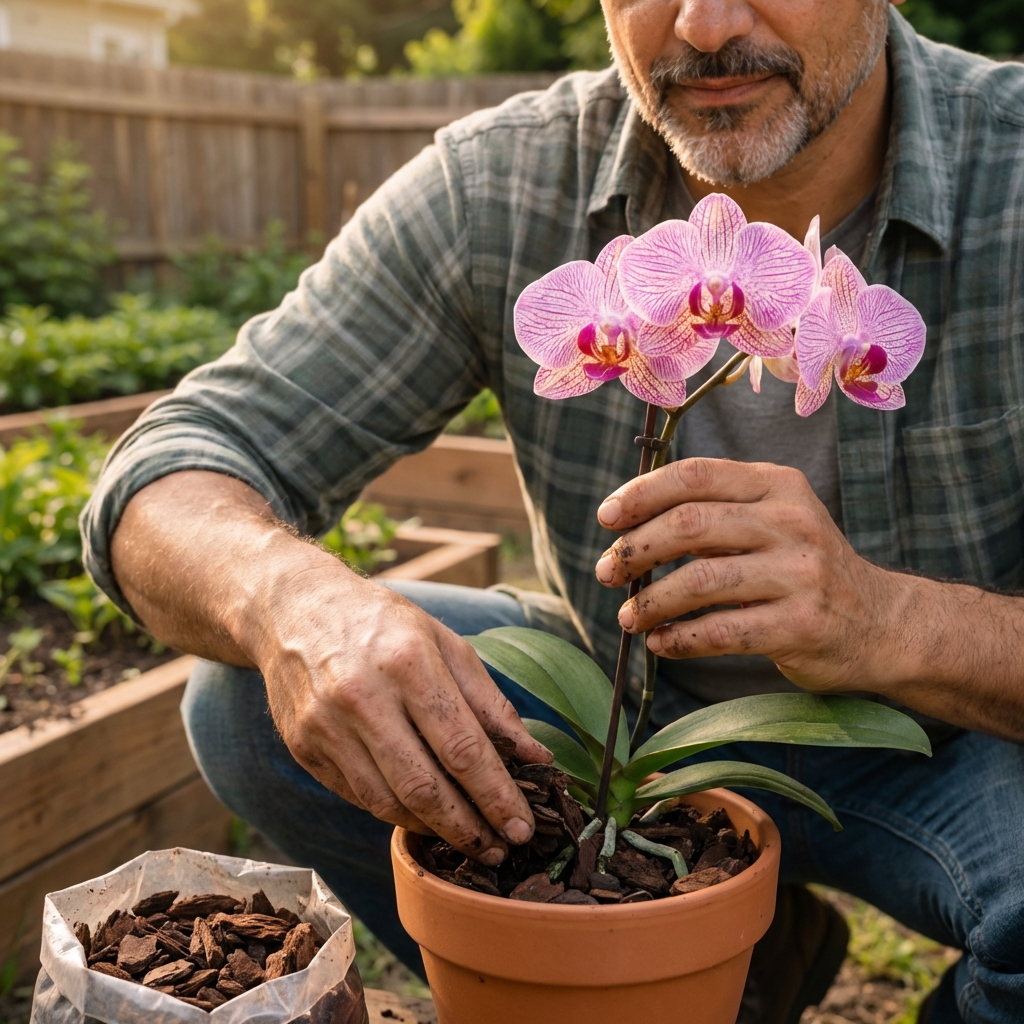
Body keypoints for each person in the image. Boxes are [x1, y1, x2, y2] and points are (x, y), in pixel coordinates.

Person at [82, 1, 1024, 1021]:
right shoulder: (505, 183)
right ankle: (728, 979)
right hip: (623, 711)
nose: (703, 25)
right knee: (243, 699)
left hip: (946, 729)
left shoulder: (1007, 171)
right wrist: (293, 602)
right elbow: (174, 465)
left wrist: (889, 620)